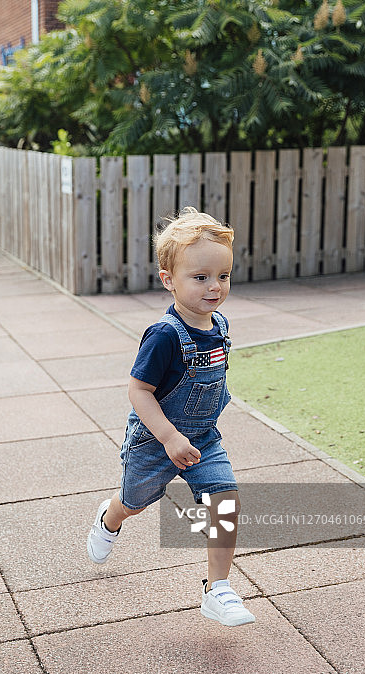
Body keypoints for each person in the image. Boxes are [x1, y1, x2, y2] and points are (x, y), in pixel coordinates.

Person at [87, 207, 255, 627]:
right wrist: (168, 437)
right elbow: (138, 391)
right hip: (155, 440)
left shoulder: (219, 323)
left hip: (203, 439)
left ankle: (218, 589)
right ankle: (109, 518)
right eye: (200, 277)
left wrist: (191, 436)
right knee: (134, 503)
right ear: (169, 280)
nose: (214, 287)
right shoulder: (164, 335)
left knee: (225, 502)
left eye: (223, 276)